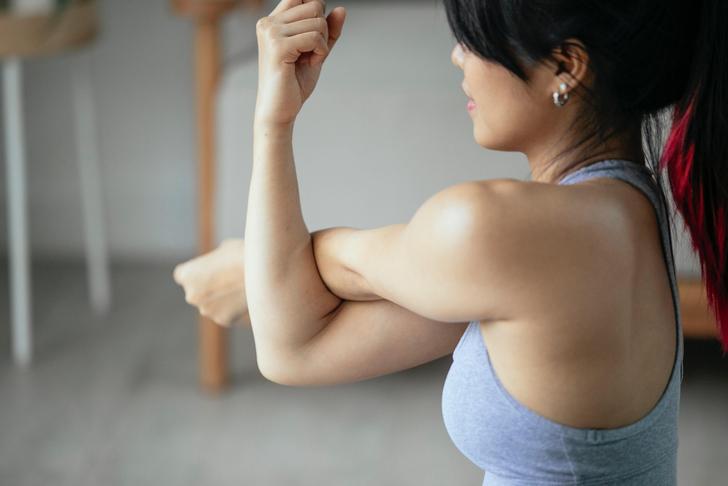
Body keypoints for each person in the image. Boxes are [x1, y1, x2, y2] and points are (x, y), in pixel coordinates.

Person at [173, 0, 728, 483]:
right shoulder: (627, 210)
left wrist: (271, 142)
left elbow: (286, 349)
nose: (458, 56)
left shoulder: (495, 230)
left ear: (566, 65)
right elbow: (302, 346)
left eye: (474, 38)